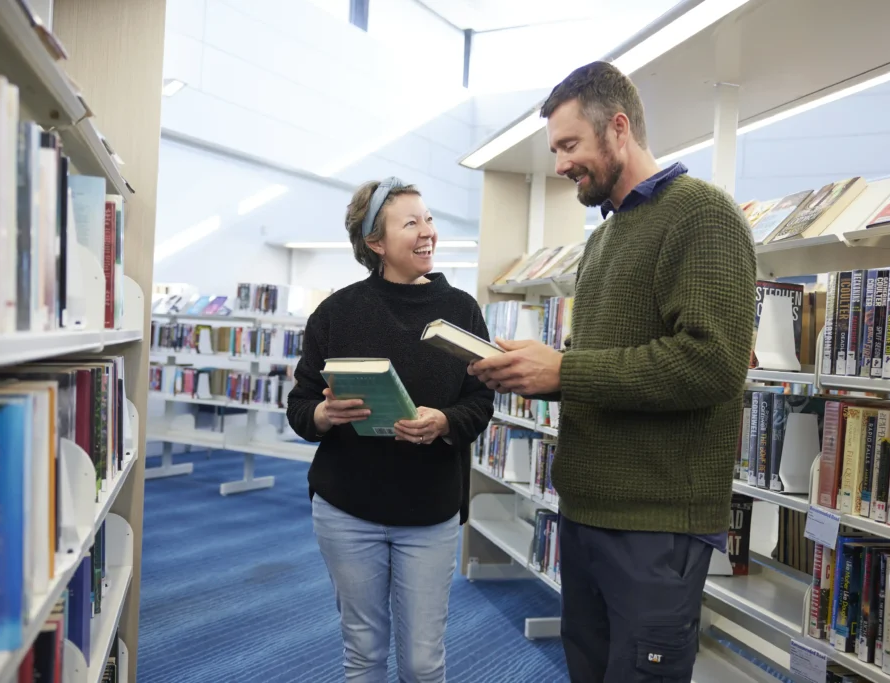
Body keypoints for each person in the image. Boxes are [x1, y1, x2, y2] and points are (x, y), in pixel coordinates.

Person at [469, 61, 756, 683]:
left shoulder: (702, 216)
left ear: (618, 128)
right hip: (585, 514)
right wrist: (530, 369)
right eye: (555, 149)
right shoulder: (602, 240)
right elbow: (605, 363)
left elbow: (712, 364)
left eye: (570, 145)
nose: (561, 164)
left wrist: (566, 372)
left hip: (654, 525)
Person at [286, 178, 494, 683]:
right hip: (346, 510)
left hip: (430, 512)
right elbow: (300, 405)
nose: (428, 233)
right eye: (411, 223)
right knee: (363, 651)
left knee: (424, 662)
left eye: (429, 219)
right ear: (375, 243)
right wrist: (323, 415)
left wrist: (445, 421)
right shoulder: (337, 312)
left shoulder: (462, 310)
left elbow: (481, 400)